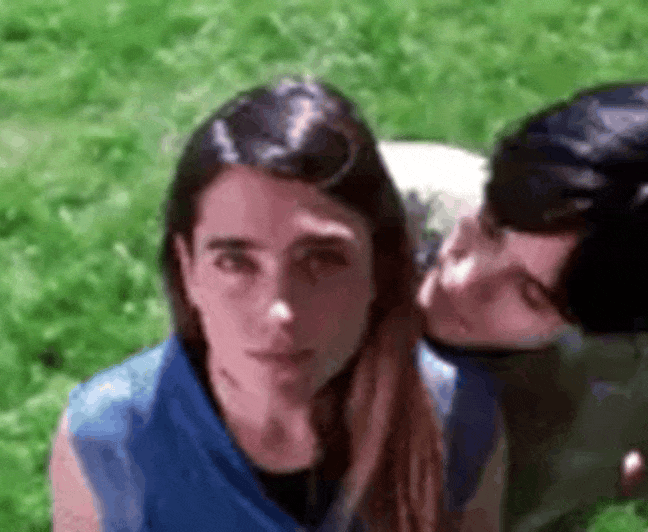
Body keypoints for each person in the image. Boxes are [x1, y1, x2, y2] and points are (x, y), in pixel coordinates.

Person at [48, 78, 506, 532]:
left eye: (320, 260)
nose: (279, 310)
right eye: (235, 262)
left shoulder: (457, 416)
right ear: (188, 272)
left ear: (378, 268)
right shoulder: (109, 441)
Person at [382, 82, 648, 531]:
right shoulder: (361, 209)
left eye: (529, 294)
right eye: (490, 226)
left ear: (614, 329)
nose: (462, 279)